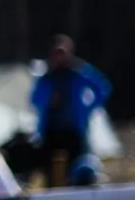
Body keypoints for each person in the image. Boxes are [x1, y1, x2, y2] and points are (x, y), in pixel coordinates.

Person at [29, 34, 111, 187]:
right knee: (47, 163)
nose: (59, 57)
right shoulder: (46, 75)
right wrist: (48, 101)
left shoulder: (79, 71)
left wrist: (89, 107)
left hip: (73, 127)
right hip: (51, 128)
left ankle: (74, 186)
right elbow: (34, 99)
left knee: (76, 162)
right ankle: (51, 187)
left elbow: (102, 87)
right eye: (56, 53)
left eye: (62, 52)